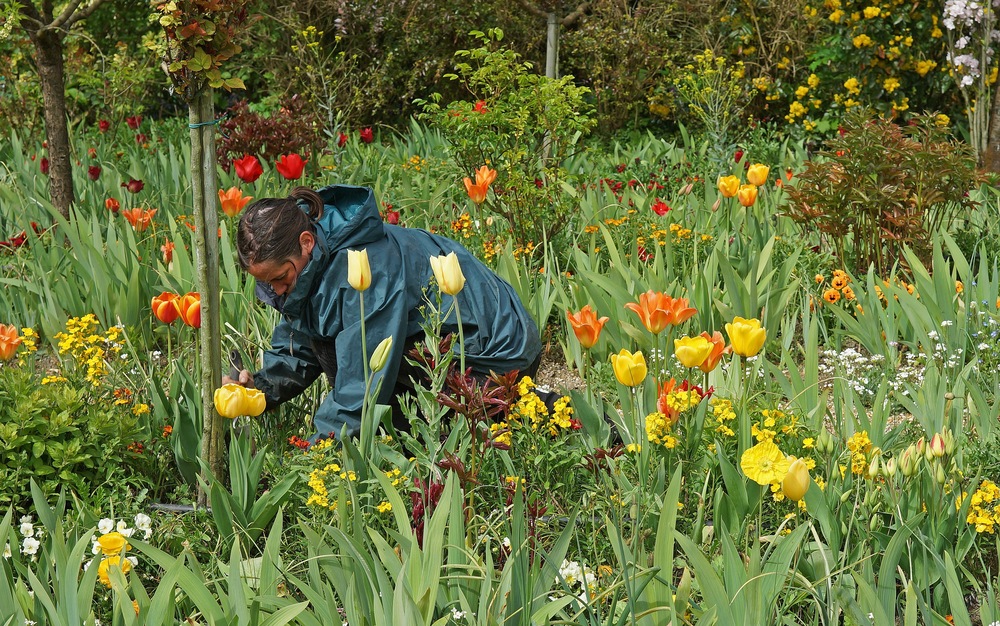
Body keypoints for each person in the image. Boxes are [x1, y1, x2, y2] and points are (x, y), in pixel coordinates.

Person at [223, 184, 542, 439]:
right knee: (330, 344)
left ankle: (531, 409)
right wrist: (258, 389)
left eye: (280, 278)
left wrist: (320, 454)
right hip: (441, 347)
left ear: (306, 241)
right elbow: (300, 342)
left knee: (341, 352)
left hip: (493, 355)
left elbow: (363, 376)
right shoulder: (312, 259)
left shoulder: (371, 266)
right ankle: (399, 432)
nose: (276, 290)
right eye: (267, 283)